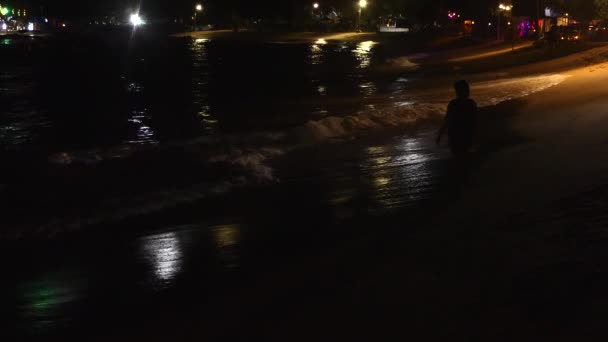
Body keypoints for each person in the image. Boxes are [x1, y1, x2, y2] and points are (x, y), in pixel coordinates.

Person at [436, 80, 476, 155]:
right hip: (455, 135)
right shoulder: (453, 103)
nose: (458, 92)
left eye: (460, 89)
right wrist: (440, 134)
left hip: (464, 135)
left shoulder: (470, 103)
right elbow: (447, 119)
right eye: (457, 90)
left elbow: (474, 121)